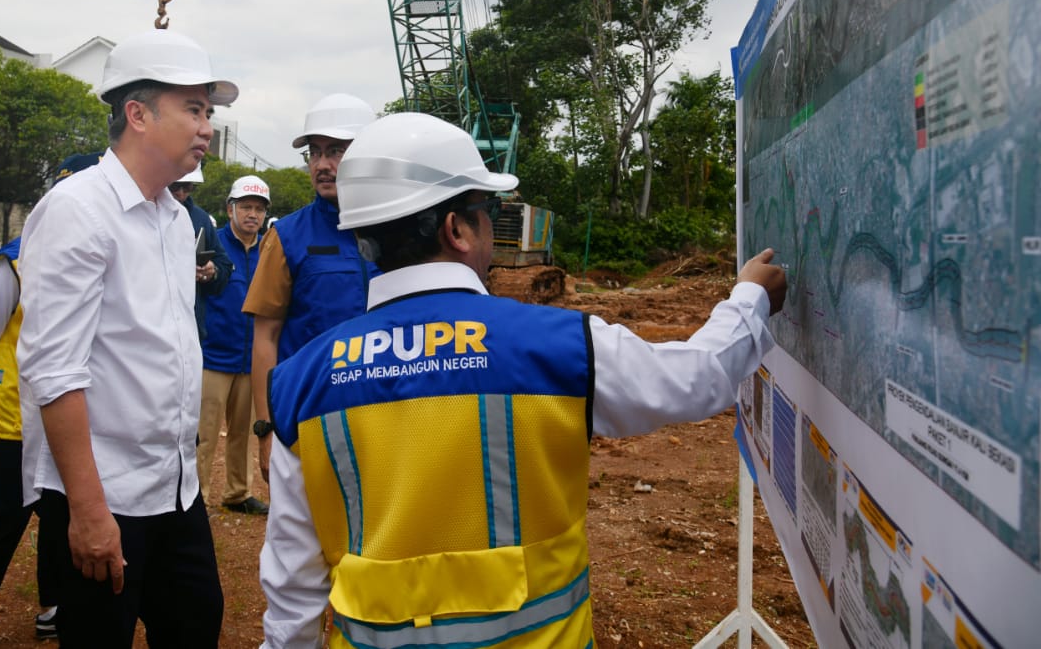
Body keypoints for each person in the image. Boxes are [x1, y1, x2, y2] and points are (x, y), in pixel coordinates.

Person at [258, 112, 788, 647]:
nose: (491, 226)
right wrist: (751, 297)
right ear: (457, 230)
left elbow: (292, 587)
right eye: (486, 212)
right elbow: (696, 378)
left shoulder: (300, 383)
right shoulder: (558, 346)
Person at [16, 29, 238, 648]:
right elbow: (54, 371)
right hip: (102, 492)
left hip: (174, 485)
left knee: (196, 625)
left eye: (209, 112)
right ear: (137, 114)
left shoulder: (176, 217)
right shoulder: (78, 210)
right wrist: (89, 514)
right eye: (193, 109)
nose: (207, 127)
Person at [0, 153, 98, 649]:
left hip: (69, 413)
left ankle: (52, 607)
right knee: (7, 517)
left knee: (59, 516)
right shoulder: (14, 259)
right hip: (16, 415)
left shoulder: (96, 254)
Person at [243, 93, 381, 482]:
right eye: (315, 153)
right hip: (307, 422)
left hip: (385, 416)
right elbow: (265, 338)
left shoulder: (398, 229)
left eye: (336, 151)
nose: (322, 164)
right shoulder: (286, 236)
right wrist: (266, 430)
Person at [197, 175, 272, 515]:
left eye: (258, 208)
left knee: (244, 433)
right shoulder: (214, 245)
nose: (252, 214)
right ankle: (195, 496)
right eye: (245, 207)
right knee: (203, 433)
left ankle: (238, 493)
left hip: (250, 360)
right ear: (230, 209)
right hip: (213, 355)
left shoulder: (271, 250)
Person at [169, 166, 232, 341]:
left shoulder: (199, 218)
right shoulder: (143, 214)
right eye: (175, 186)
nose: (181, 193)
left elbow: (224, 266)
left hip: (190, 330)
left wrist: (212, 272)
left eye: (188, 187)